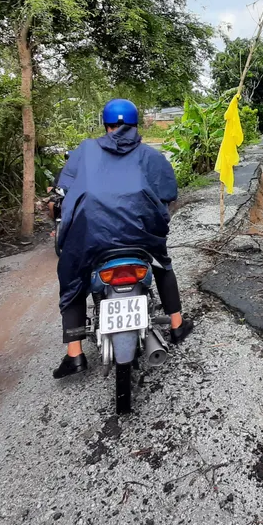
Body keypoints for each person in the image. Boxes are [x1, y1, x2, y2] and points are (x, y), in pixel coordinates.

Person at [53, 99, 194, 379]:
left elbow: (63, 188)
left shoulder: (85, 150)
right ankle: (177, 325)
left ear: (106, 124)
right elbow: (168, 194)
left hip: (91, 237)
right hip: (140, 237)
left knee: (72, 278)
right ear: (135, 125)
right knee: (162, 265)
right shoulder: (150, 155)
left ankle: (75, 354)